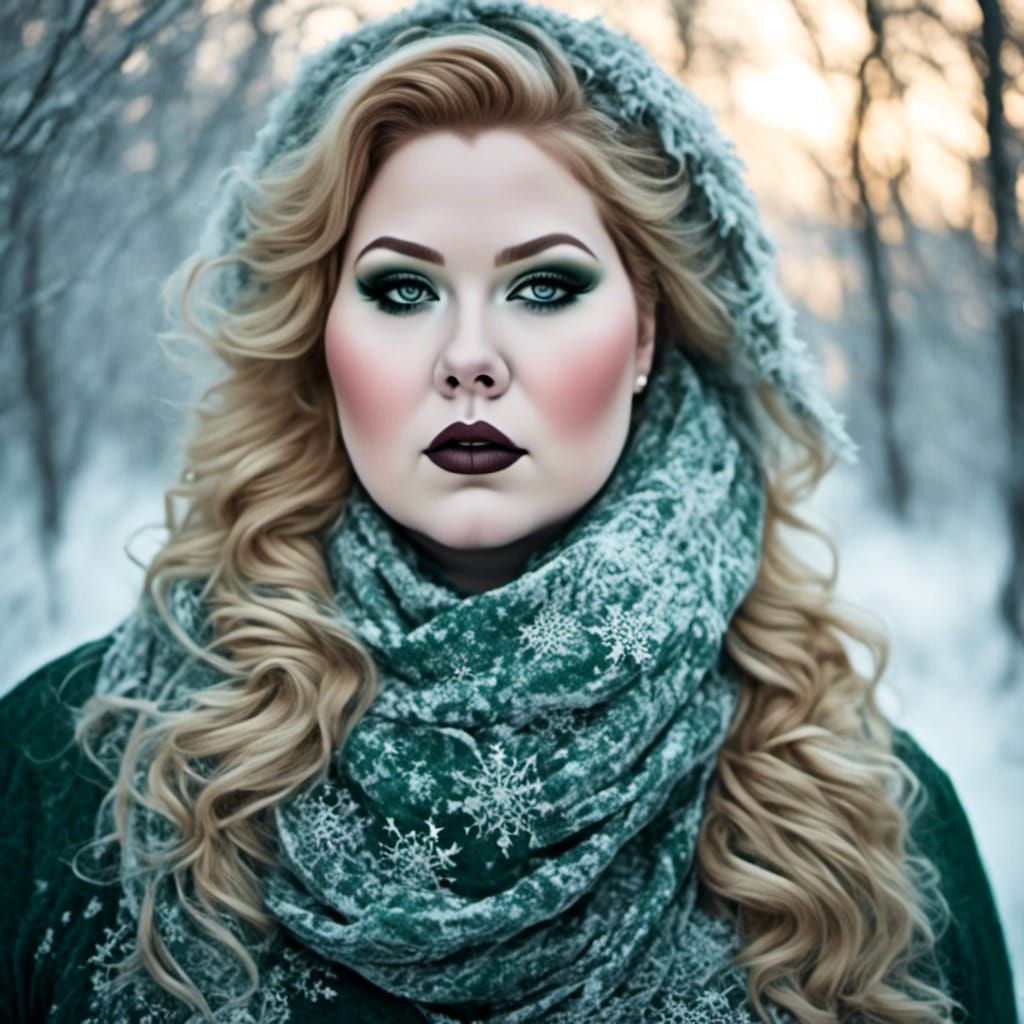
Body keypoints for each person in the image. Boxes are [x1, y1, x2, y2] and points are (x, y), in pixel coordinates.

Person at [1, 1, 1018, 1022]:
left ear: (646, 333)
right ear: (317, 333)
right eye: (402, 290)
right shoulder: (67, 770)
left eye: (543, 286)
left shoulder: (869, 816)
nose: (469, 357)